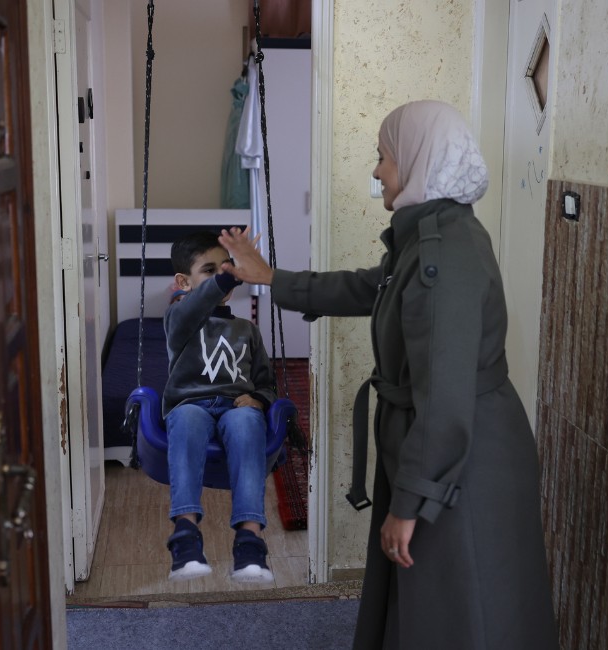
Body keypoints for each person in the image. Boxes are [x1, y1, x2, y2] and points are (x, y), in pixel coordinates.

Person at [219, 100, 559, 648]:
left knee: (459, 606)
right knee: (443, 599)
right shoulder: (433, 234)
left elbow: (445, 400)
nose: (377, 170)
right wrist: (273, 278)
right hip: (448, 444)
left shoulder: (442, 254)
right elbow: (365, 287)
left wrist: (411, 504)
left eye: (384, 156)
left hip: (460, 457)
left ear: (418, 158)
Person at [161, 231, 277, 583]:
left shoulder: (247, 330)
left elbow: (266, 382)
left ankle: (249, 541)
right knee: (188, 420)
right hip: (190, 404)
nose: (219, 277)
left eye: (223, 269)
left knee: (246, 422)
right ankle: (185, 538)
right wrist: (231, 271)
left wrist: (258, 399)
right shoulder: (179, 317)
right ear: (183, 282)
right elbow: (197, 304)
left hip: (235, 406)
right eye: (208, 270)